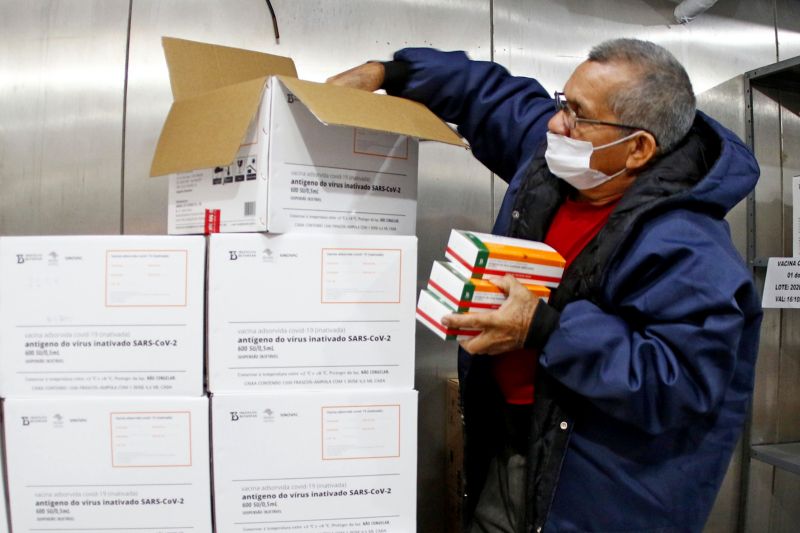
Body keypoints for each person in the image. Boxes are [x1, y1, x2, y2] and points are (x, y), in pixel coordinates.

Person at [328, 39, 762, 533]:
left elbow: (678, 385)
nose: (557, 124)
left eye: (577, 114)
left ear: (639, 148)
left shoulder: (688, 248)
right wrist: (386, 72)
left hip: (596, 488)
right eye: (562, 102)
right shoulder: (563, 166)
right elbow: (489, 98)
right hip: (510, 446)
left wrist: (546, 328)